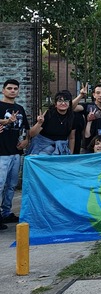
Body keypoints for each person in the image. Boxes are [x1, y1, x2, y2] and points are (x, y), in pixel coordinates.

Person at [0, 79, 30, 226]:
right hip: (1, 153)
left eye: (15, 88)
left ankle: (6, 213)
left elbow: (25, 128)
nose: (12, 91)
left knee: (11, 185)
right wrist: (5, 122)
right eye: (9, 88)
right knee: (0, 184)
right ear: (3, 90)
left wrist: (26, 141)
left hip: (15, 152)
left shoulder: (19, 108)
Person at [28, 91, 83, 155]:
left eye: (66, 101)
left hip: (61, 148)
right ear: (55, 104)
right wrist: (39, 123)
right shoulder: (48, 114)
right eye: (60, 101)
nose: (63, 103)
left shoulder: (72, 117)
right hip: (42, 147)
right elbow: (32, 134)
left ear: (69, 104)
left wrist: (70, 154)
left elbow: (71, 138)